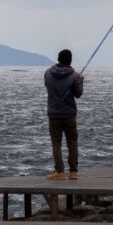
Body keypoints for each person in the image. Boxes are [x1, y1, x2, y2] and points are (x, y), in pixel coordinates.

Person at [44, 49, 84, 180]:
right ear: (70, 60)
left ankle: (59, 171)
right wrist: (80, 80)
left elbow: (47, 86)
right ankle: (73, 172)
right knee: (72, 143)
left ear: (58, 58)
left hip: (54, 114)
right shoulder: (75, 76)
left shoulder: (48, 73)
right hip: (69, 115)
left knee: (56, 143)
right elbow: (78, 94)